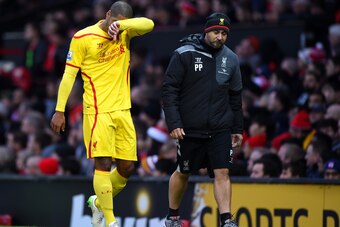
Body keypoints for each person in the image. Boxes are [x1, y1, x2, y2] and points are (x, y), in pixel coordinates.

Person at [50, 2, 154, 227]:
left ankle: (98, 202)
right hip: (97, 111)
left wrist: (122, 25)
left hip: (123, 110)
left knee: (127, 168)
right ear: (106, 14)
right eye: (113, 20)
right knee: (104, 163)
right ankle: (109, 221)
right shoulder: (82, 37)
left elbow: (149, 24)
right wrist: (60, 110)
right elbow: (68, 76)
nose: (114, 26)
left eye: (120, 22)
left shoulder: (126, 32)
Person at [162, 12, 243, 227]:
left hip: (220, 128)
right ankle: (173, 217)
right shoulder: (184, 53)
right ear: (206, 31)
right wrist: (174, 123)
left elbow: (236, 97)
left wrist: (237, 128)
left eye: (224, 34)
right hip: (189, 128)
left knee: (223, 171)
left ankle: (227, 220)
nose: (220, 37)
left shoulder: (232, 59)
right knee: (183, 171)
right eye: (216, 32)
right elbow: (169, 91)